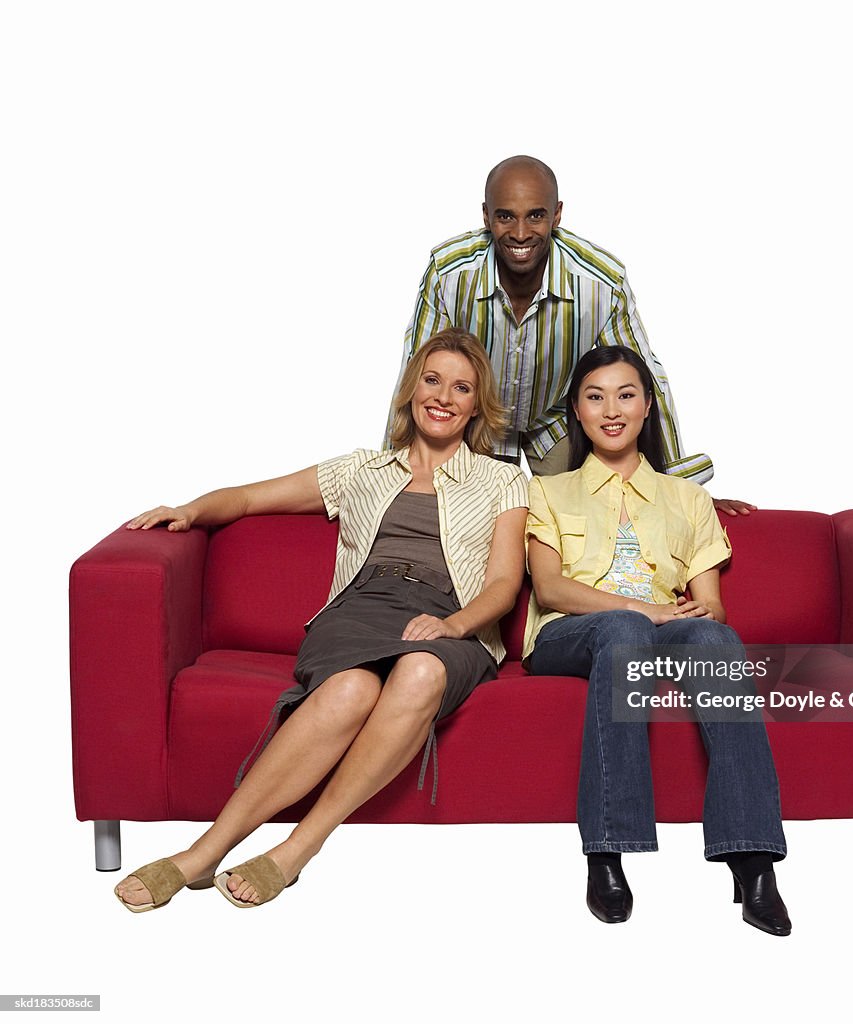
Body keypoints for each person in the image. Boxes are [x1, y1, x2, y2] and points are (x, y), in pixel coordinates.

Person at [113, 328, 529, 911]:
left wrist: (455, 626)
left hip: (447, 623)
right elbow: (252, 498)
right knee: (350, 688)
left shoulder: (503, 479)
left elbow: (506, 585)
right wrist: (189, 510)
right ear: (411, 389)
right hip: (359, 612)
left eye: (462, 388)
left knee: (419, 671)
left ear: (476, 405)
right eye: (432, 380)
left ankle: (296, 851)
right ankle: (202, 855)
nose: (443, 396)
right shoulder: (362, 470)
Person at [523, 345, 790, 934]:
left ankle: (754, 862)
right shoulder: (546, 490)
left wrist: (701, 614)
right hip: (572, 633)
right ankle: (608, 851)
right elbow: (550, 586)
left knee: (720, 644)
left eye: (625, 395)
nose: (611, 410)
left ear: (648, 405)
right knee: (624, 627)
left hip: (667, 628)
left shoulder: (688, 499)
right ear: (577, 409)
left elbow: (711, 602)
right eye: (595, 397)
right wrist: (644, 608)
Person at [386, 153, 754, 515]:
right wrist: (388, 476)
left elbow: (645, 379)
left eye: (535, 216)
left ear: (557, 214)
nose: (519, 232)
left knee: (599, 517)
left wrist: (677, 487)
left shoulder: (601, 281)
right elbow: (415, 375)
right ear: (486, 215)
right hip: (478, 418)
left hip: (555, 419)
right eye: (505, 216)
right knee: (459, 520)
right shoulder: (448, 271)